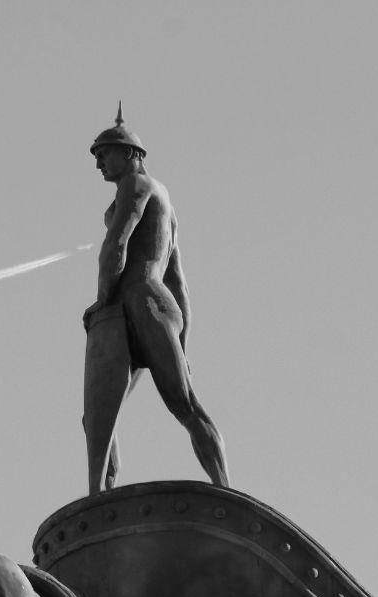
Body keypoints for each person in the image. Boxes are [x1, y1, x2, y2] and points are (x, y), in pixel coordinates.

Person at [82, 105, 229, 494]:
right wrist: (183, 338)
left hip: (138, 298)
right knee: (100, 416)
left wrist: (102, 299)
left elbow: (116, 244)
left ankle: (224, 486)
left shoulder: (137, 186)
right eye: (97, 155)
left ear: (132, 154)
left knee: (179, 404)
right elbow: (178, 278)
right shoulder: (164, 200)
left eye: (104, 153)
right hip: (157, 303)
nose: (99, 163)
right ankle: (101, 494)